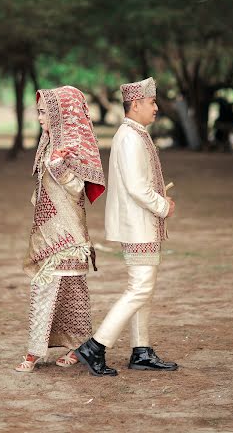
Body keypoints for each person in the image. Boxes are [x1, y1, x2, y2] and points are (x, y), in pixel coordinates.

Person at [74, 77, 177, 376]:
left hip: (141, 223)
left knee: (144, 287)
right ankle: (95, 346)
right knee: (140, 287)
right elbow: (136, 187)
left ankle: (141, 350)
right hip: (138, 224)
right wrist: (163, 206)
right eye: (152, 102)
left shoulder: (135, 133)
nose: (156, 108)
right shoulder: (130, 137)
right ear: (136, 104)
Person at [15, 86, 105, 372]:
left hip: (69, 233)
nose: (40, 117)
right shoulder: (47, 142)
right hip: (48, 230)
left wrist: (60, 167)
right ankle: (51, 350)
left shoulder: (71, 147)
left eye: (44, 112)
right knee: (53, 289)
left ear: (60, 113)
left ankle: (59, 351)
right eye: (38, 111)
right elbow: (43, 187)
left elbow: (78, 190)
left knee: (69, 290)